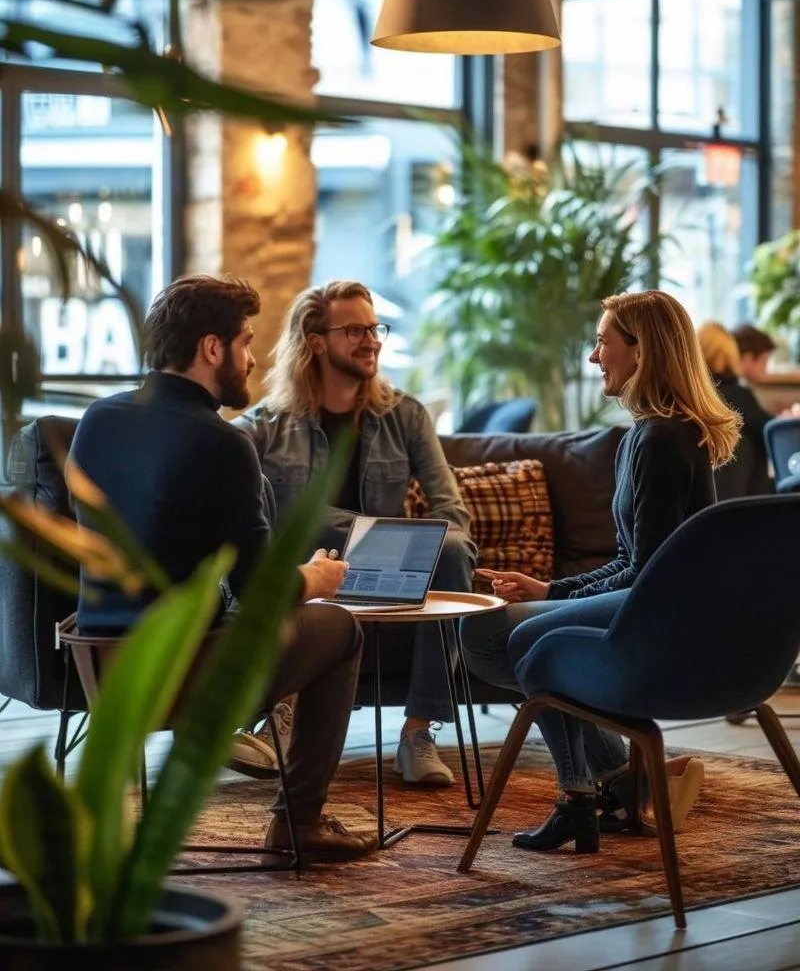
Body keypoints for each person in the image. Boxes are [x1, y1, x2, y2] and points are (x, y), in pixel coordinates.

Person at [70, 273, 376, 863]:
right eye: (245, 341)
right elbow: (261, 593)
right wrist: (316, 576)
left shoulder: (96, 421)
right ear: (212, 348)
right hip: (180, 671)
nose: (253, 357)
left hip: (100, 666)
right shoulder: (221, 443)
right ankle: (299, 824)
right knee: (341, 629)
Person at [462, 290, 741, 853]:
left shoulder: (660, 439)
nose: (593, 358)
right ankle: (616, 781)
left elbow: (645, 572)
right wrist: (553, 590)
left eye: (602, 343)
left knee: (509, 636)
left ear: (641, 352)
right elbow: (635, 561)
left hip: (662, 620)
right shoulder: (657, 431)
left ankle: (578, 796)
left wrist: (553, 599)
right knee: (501, 629)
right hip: (666, 605)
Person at [237, 279, 477, 788]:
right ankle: (280, 708)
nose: (372, 341)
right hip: (309, 573)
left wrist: (410, 545)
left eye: (375, 329)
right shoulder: (264, 426)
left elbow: (451, 508)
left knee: (452, 546)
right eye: (355, 330)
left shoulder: (404, 415)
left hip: (387, 577)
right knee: (301, 519)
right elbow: (250, 518)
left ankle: (417, 731)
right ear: (316, 340)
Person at [697, 321, 773, 497]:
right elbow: (769, 433)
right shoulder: (736, 397)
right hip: (743, 504)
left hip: (703, 506)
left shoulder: (696, 398)